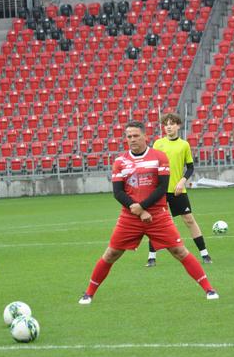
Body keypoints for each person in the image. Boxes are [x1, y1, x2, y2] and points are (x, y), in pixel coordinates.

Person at [79, 121, 219, 305]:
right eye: (129, 136)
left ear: (145, 136)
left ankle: (209, 289)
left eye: (136, 135)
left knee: (179, 251)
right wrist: (138, 210)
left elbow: (162, 187)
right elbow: (118, 192)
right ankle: (89, 293)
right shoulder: (120, 161)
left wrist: (143, 207)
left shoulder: (159, 157)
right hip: (130, 216)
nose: (132, 139)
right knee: (111, 254)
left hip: (158, 215)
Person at [145, 113, 212, 267]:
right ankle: (151, 257)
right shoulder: (158, 144)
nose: (168, 126)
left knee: (189, 220)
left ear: (178, 126)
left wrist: (182, 181)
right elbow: (152, 166)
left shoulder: (184, 145)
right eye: (166, 124)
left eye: (172, 123)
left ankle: (205, 254)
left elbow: (190, 167)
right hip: (160, 191)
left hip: (177, 190)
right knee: (155, 222)